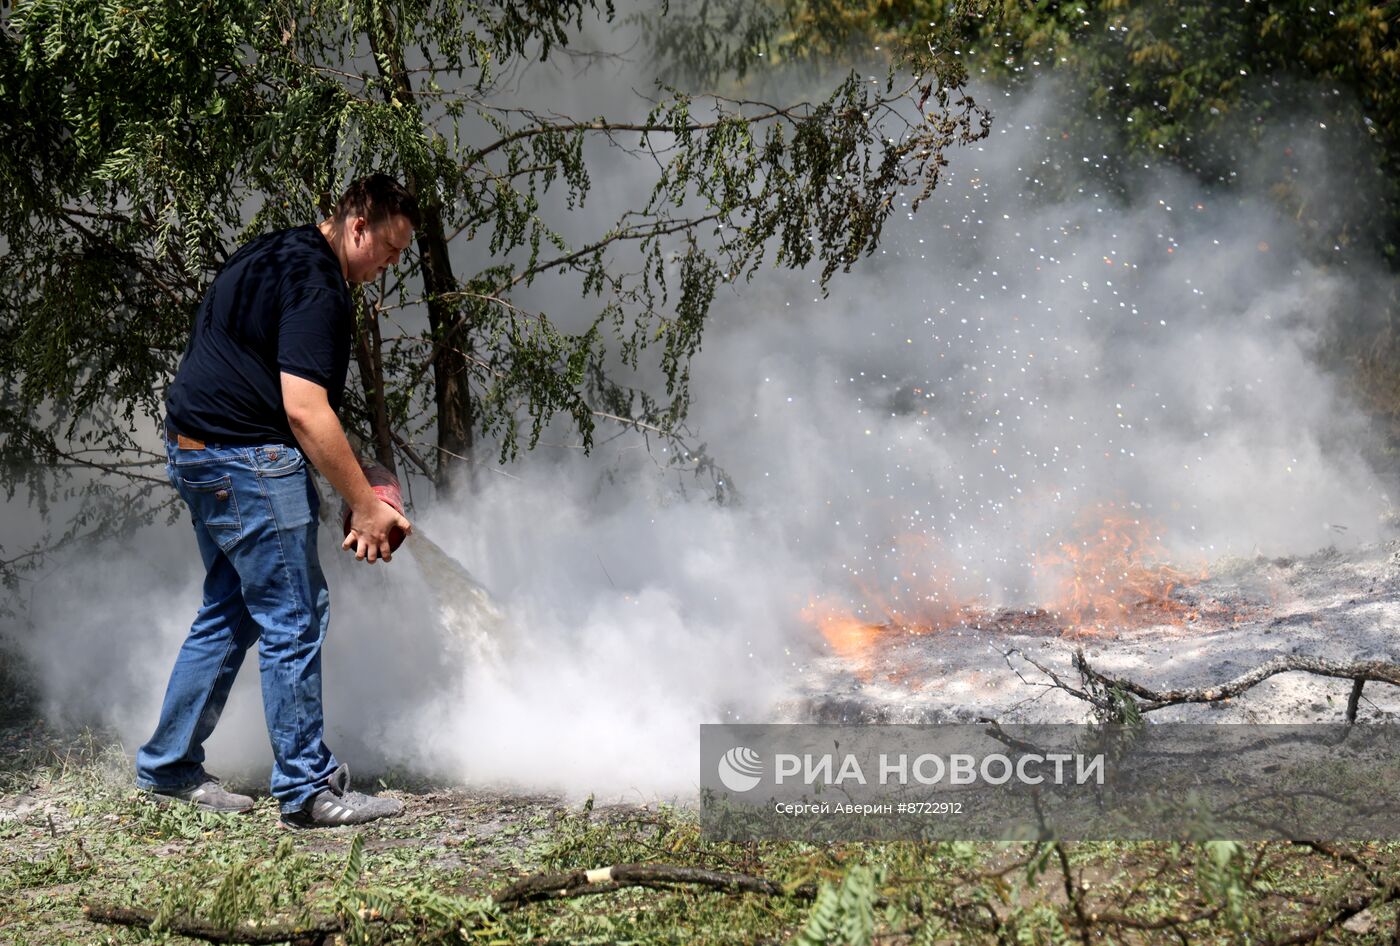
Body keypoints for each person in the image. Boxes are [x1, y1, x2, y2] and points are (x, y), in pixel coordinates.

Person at [135, 174, 418, 828]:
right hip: (244, 460)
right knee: (295, 611)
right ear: (357, 227)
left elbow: (283, 384)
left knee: (232, 607)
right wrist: (367, 506)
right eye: (390, 248)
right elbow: (303, 411)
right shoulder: (318, 286)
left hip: (197, 448)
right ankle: (307, 789)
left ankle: (168, 765)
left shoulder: (280, 251)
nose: (391, 264)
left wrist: (363, 472)